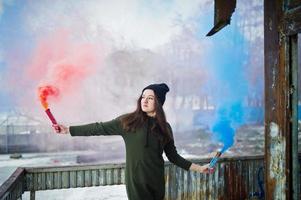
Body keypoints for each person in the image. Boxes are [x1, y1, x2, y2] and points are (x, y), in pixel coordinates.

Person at [53, 83, 210, 200]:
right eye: (143, 97)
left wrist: (199, 168)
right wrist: (68, 130)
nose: (145, 101)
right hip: (136, 183)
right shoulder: (128, 122)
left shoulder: (165, 128)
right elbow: (98, 127)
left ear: (158, 103)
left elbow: (173, 156)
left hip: (157, 181)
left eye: (150, 98)